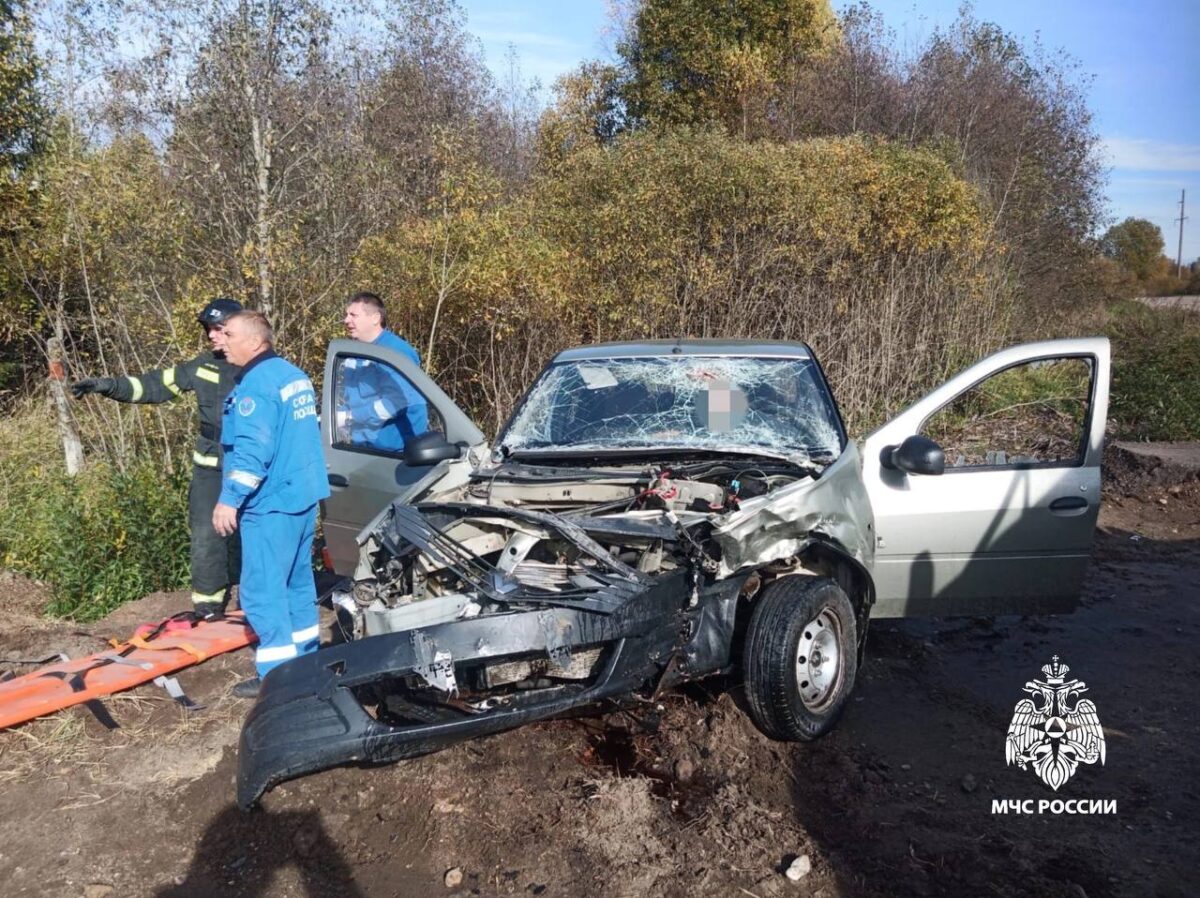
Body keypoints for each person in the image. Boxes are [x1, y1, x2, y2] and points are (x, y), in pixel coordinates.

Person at [71, 298, 244, 620]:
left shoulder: (261, 367)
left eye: (218, 329)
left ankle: (256, 599)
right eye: (209, 330)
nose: (212, 336)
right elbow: (154, 386)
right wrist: (108, 386)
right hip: (211, 467)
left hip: (252, 465)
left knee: (256, 533)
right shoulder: (201, 367)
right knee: (207, 534)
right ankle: (208, 608)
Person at [212, 311, 329, 697]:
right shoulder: (293, 375)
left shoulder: (256, 387)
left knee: (262, 590)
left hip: (271, 503)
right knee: (298, 582)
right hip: (302, 496)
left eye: (229, 334)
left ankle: (278, 677)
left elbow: (252, 451)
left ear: (255, 342)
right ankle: (307, 663)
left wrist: (229, 501)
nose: (221, 340)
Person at [338, 291, 429, 450]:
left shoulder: (395, 352)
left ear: (375, 318)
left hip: (396, 454)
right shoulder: (353, 353)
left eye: (353, 315)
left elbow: (396, 402)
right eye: (347, 315)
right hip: (365, 448)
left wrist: (349, 418)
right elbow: (351, 399)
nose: (346, 320)